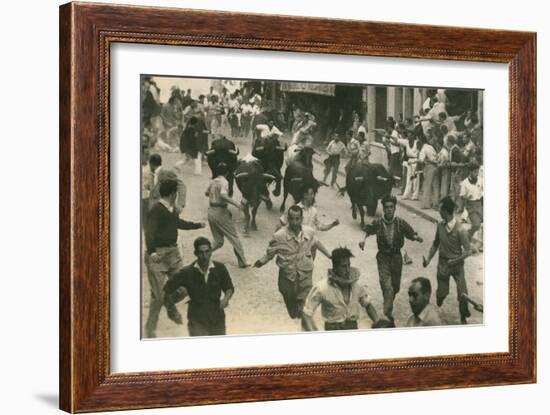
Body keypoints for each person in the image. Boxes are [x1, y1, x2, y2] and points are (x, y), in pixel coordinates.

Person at [144, 179, 205, 338]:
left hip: (173, 254)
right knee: (157, 297)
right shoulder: (156, 210)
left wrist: (197, 225)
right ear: (173, 194)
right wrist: (152, 252)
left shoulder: (170, 210)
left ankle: (168, 303)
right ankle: (150, 329)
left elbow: (178, 223)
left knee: (184, 288)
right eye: (177, 194)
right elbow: (149, 232)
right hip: (158, 255)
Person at [254, 205, 332, 325]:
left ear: (301, 219)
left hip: (305, 274)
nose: (294, 222)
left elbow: (316, 242)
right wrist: (260, 262)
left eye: (297, 219)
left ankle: (304, 323)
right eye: (291, 219)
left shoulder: (309, 231)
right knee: (292, 311)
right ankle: (296, 311)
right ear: (288, 219)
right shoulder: (279, 236)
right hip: (287, 277)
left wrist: (329, 255)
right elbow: (270, 253)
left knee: (304, 308)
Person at [359, 195, 423, 321]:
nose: (389, 210)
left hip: (397, 258)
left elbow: (410, 232)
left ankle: (388, 301)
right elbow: (368, 230)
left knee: (395, 287)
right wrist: (363, 240)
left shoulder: (400, 222)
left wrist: (416, 237)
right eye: (386, 207)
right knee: (387, 286)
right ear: (383, 209)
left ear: (394, 208)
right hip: (383, 257)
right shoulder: (378, 222)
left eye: (391, 207)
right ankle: (387, 311)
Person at [163, 237, 234, 336]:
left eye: (207, 252)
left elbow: (229, 287)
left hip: (217, 318)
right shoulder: (187, 272)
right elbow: (166, 290)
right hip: (196, 320)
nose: (204, 256)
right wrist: (171, 310)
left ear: (210, 252)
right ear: (195, 253)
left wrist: (226, 299)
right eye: (201, 253)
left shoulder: (220, 268)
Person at [302, 247, 379, 331]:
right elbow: (306, 314)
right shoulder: (322, 287)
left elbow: (368, 305)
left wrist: (377, 322)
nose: (348, 270)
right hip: (332, 329)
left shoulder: (356, 285)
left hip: (352, 328)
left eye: (349, 265)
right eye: (344, 266)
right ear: (335, 267)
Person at [422, 196, 472, 324]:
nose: (438, 211)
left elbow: (468, 251)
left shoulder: (461, 230)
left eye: (439, 208)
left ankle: (463, 315)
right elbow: (435, 244)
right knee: (441, 294)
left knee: (463, 293)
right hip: (443, 264)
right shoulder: (440, 226)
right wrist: (428, 259)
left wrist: (455, 261)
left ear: (445, 211)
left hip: (457, 266)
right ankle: (441, 297)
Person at [206, 163, 250, 268]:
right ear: (227, 172)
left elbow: (206, 193)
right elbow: (223, 195)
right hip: (220, 212)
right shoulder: (225, 182)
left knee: (218, 241)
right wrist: (236, 204)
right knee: (234, 237)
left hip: (211, 211)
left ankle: (205, 254)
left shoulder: (213, 181)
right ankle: (243, 262)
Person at [459, 161, 483, 252]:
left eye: (477, 172)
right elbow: (461, 196)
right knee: (476, 224)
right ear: (470, 172)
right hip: (470, 205)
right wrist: (466, 200)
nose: (476, 174)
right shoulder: (465, 183)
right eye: (474, 172)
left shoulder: (480, 180)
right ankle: (465, 239)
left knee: (481, 225)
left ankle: (479, 245)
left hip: (479, 203)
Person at [419, 133, 440, 209]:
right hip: (436, 166)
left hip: (430, 166)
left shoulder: (425, 147)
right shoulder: (432, 148)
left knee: (427, 186)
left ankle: (426, 204)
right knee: (435, 186)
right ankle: (435, 203)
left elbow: (421, 160)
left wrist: (425, 161)